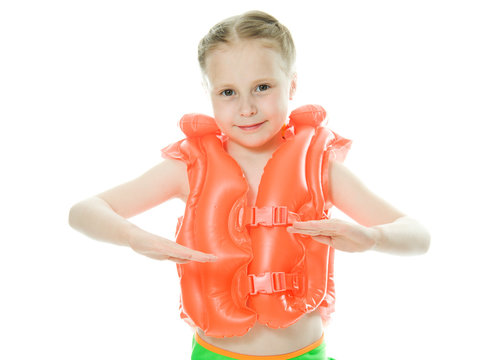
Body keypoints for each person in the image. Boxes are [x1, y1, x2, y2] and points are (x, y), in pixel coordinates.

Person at [69, 10, 430, 360]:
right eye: (227, 92)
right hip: (216, 355)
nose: (246, 108)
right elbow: (83, 211)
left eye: (262, 87)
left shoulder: (318, 169)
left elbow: (417, 235)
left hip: (303, 355)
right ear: (208, 91)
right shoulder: (189, 168)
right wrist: (133, 237)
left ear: (291, 84)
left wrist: (373, 238)